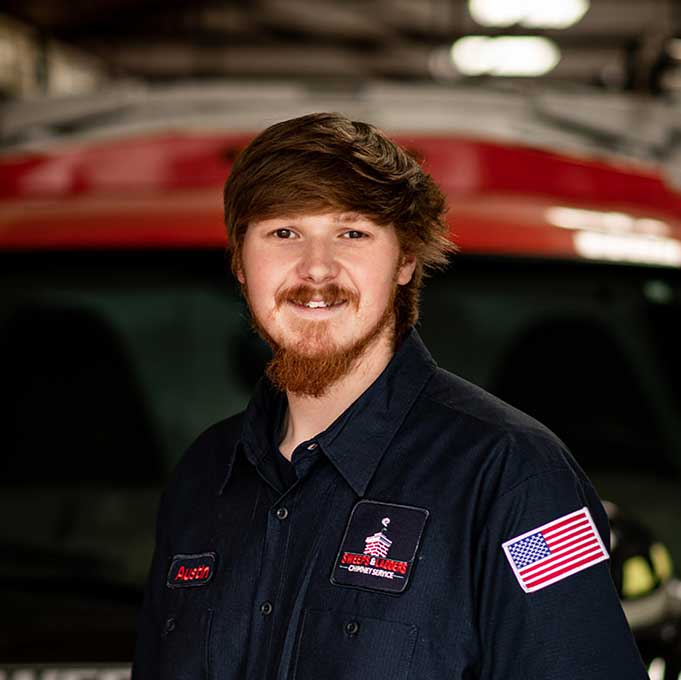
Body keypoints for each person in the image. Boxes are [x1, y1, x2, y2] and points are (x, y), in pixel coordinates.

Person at [132, 112, 648, 679]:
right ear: (239, 261)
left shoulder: (520, 478)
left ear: (404, 261)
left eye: (352, 233)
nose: (316, 269)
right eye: (284, 232)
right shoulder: (202, 478)